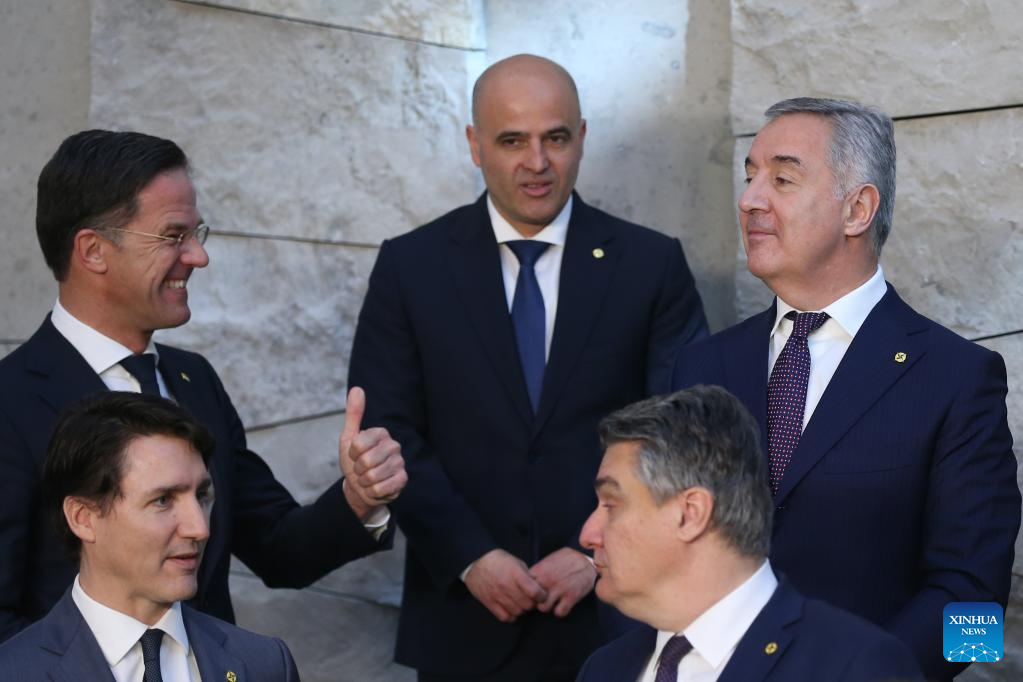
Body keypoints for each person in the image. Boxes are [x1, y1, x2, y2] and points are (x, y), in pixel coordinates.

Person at [348, 54, 708, 680]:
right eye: (512, 140)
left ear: (582, 138)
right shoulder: (411, 267)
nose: (536, 162)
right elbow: (388, 429)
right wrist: (470, 555)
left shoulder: (651, 265)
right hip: (463, 623)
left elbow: (683, 424)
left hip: (617, 617)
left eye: (556, 139)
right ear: (475, 144)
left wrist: (596, 551)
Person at [0, 129, 408, 642]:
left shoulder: (195, 382)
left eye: (197, 234)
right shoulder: (10, 402)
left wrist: (359, 497)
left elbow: (278, 548)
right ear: (93, 250)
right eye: (173, 236)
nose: (198, 256)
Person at [670, 97, 1020, 680]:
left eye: (782, 179)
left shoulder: (957, 378)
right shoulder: (702, 366)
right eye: (750, 176)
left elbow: (976, 613)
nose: (750, 199)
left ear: (858, 209)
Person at [577, 385, 922, 682]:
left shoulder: (855, 668)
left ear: (690, 514)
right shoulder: (604, 669)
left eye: (611, 504)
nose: (587, 535)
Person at [0, 392, 300, 681]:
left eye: (201, 496)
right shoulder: (13, 672)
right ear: (83, 518)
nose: (200, 528)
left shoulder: (265, 664)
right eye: (163, 500)